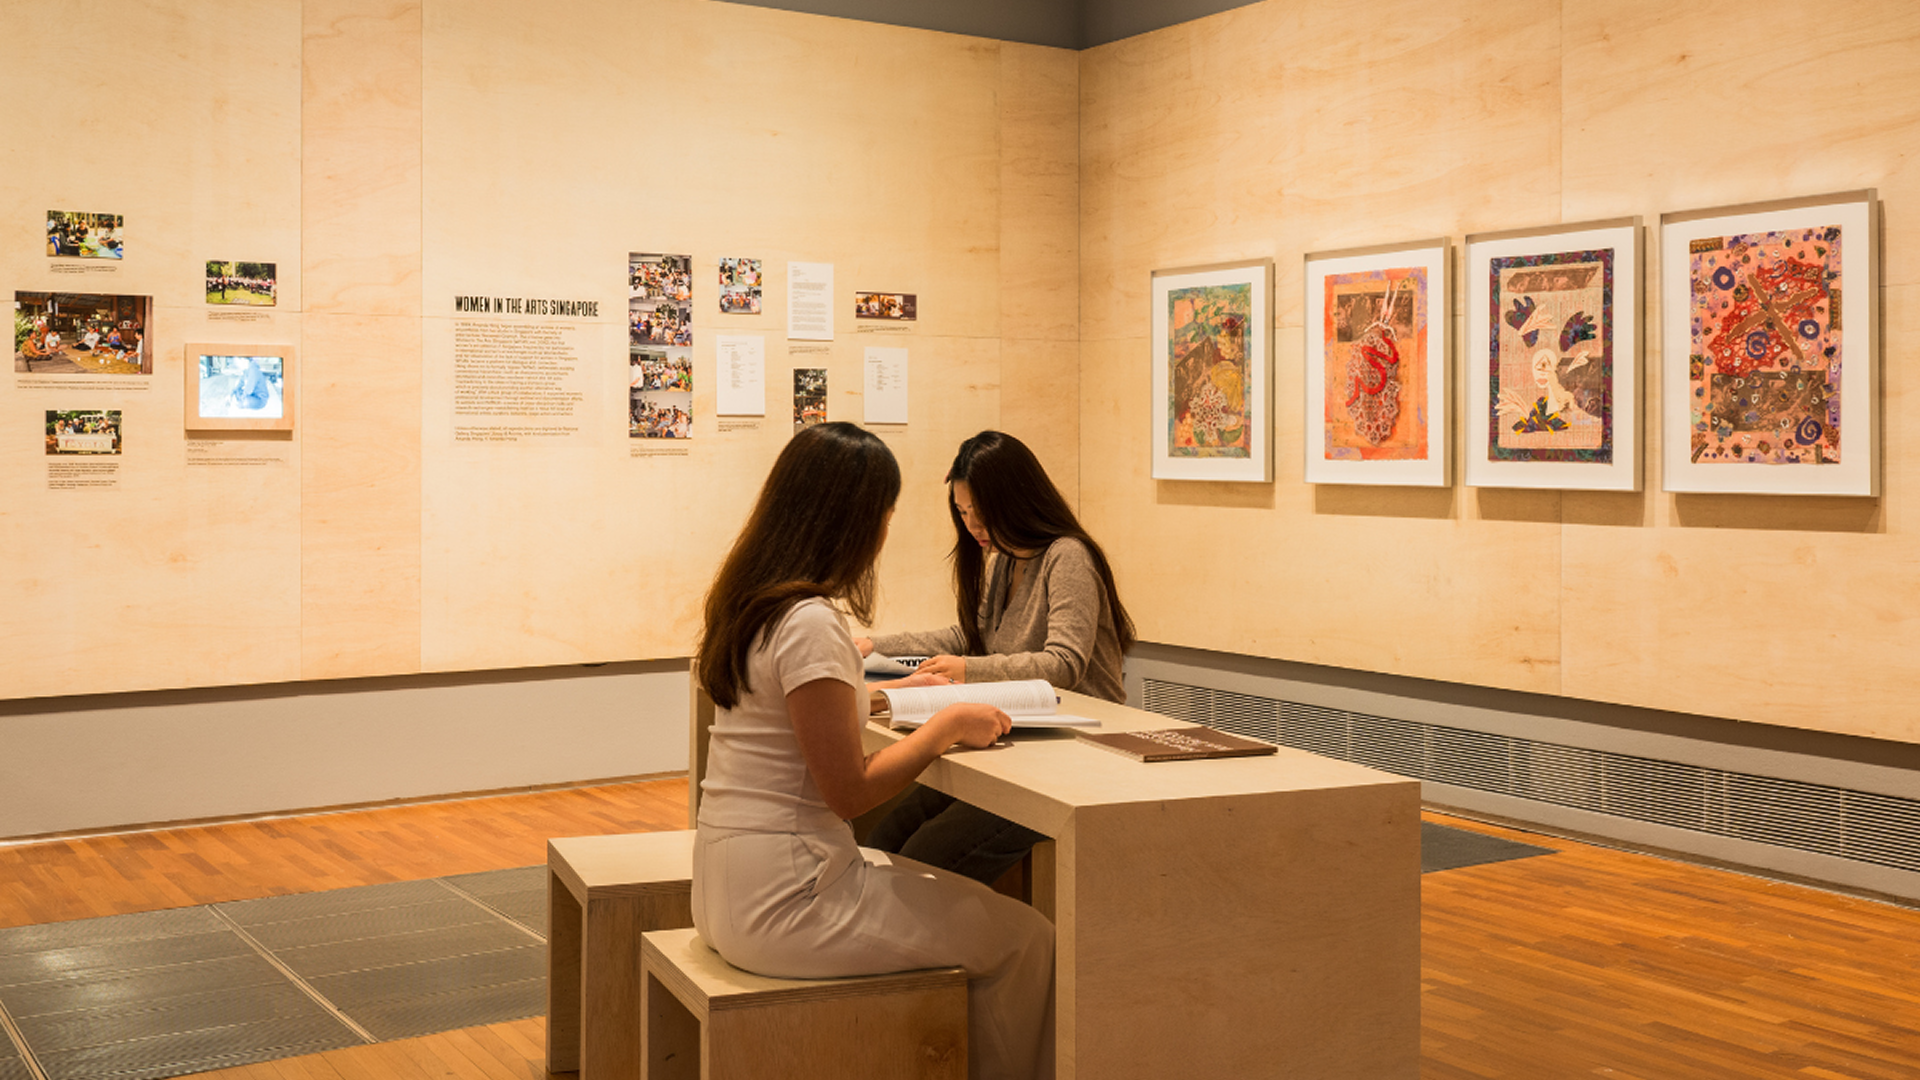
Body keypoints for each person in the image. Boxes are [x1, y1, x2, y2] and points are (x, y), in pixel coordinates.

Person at [693, 422, 1054, 1080]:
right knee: (1028, 939)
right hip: (791, 901)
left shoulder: (753, 606)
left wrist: (889, 697)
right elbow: (849, 791)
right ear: (855, 521)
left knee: (930, 878)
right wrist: (943, 728)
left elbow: (793, 722)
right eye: (887, 513)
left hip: (724, 887)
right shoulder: (810, 622)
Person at [855, 430, 1135, 885]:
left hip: (1073, 752)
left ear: (1017, 502)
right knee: (889, 833)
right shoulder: (1004, 558)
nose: (973, 528)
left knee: (929, 855)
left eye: (981, 515)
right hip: (1017, 741)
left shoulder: (1068, 557)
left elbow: (1063, 665)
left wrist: (969, 668)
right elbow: (972, 636)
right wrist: (878, 646)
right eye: (963, 513)